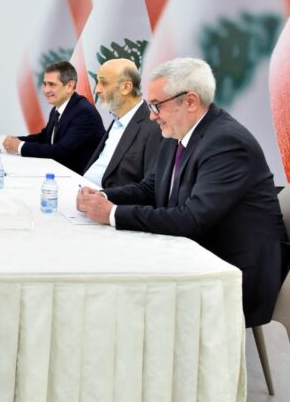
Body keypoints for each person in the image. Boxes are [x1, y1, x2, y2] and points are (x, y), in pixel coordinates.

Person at [77, 57, 289, 328]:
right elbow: (149, 188)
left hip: (235, 274)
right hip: (199, 255)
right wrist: (104, 197)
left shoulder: (227, 142)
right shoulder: (177, 133)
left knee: (129, 303)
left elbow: (192, 219)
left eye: (157, 106)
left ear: (190, 101)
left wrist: (112, 214)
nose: (151, 116)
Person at [3, 61, 104, 174]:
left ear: (70, 86)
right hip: (61, 173)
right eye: (45, 84)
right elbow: (44, 138)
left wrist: (20, 147)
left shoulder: (84, 113)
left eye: (52, 85)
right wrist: (16, 140)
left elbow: (61, 152)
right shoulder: (59, 107)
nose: (45, 90)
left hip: (80, 179)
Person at [82, 58, 162, 188]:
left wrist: (103, 196)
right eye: (97, 82)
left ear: (126, 87)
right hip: (83, 189)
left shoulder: (153, 127)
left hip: (107, 198)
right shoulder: (118, 118)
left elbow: (150, 189)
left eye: (104, 83)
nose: (97, 89)